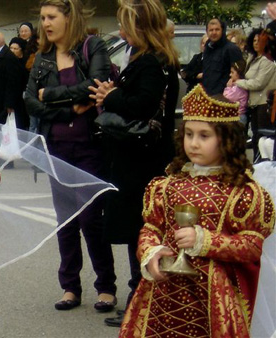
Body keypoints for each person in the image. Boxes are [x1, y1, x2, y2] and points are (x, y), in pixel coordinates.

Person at [118, 84, 275, 337]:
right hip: (163, 293)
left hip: (213, 297)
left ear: (226, 139)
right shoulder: (167, 185)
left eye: (204, 136)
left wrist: (205, 240)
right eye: (189, 134)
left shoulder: (242, 192)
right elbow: (151, 227)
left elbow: (251, 245)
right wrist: (151, 251)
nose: (193, 143)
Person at [88, 0, 180, 327]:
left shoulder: (152, 63)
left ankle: (139, 301)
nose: (122, 31)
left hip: (141, 162)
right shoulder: (150, 59)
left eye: (127, 25)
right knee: (135, 231)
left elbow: (143, 106)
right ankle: (136, 298)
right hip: (137, 158)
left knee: (140, 230)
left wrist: (110, 96)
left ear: (142, 28)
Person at [25, 0, 117, 312]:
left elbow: (95, 85)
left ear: (69, 17)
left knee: (91, 218)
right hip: (57, 148)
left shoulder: (93, 46)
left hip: (91, 146)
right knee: (66, 221)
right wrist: (68, 108)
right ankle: (70, 287)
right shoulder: (43, 58)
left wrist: (50, 96)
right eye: (42, 18)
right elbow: (29, 100)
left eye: (52, 17)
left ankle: (106, 286)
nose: (46, 23)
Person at [235, 28, 276, 161]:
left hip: (264, 104)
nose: (256, 43)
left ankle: (264, 166)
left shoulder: (268, 61)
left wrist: (238, 82)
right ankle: (257, 165)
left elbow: (258, 83)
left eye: (260, 40)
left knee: (263, 139)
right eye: (254, 40)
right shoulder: (252, 58)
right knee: (255, 138)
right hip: (252, 103)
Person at [202, 18, 243, 95]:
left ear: (222, 31)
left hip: (225, 97)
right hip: (208, 95)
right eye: (211, 30)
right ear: (207, 32)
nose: (214, 32)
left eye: (217, 29)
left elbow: (239, 74)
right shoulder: (208, 48)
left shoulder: (231, 49)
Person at [223, 59, 248, 125]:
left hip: (238, 117)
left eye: (232, 72)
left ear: (239, 73)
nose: (230, 74)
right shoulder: (235, 86)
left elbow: (226, 98)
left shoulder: (239, 87)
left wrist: (228, 87)